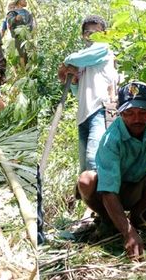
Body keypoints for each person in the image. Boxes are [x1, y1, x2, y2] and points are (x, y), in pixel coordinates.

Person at [77, 81, 146, 259]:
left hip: (139, 188)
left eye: (142, 113)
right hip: (110, 192)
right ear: (120, 113)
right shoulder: (111, 139)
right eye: (129, 113)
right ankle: (107, 219)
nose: (137, 119)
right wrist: (128, 233)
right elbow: (108, 191)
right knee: (86, 180)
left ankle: (136, 214)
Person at [57, 15, 118, 175]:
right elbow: (78, 92)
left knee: (93, 160)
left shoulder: (103, 49)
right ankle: (89, 198)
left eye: (95, 32)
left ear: (104, 34)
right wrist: (75, 80)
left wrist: (65, 64)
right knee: (84, 167)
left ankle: (104, 198)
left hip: (101, 110)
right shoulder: (82, 62)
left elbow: (76, 58)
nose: (91, 36)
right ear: (83, 35)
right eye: (87, 32)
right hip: (84, 115)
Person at [7, 0, 34, 68]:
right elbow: (9, 21)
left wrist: (28, 29)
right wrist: (15, 19)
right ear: (19, 1)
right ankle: (23, 71)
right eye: (23, 0)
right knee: (21, 54)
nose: (25, 1)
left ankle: (29, 70)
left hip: (27, 36)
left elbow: (31, 23)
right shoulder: (12, 12)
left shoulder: (27, 13)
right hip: (18, 36)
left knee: (29, 53)